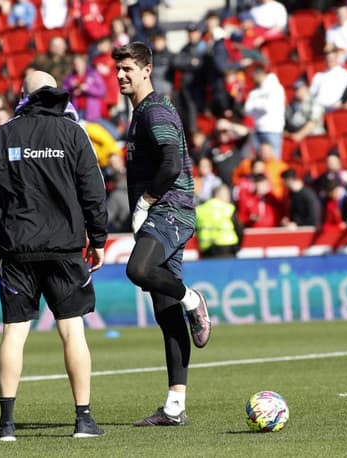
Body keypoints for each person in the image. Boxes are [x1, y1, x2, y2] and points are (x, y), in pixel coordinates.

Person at [0, 71, 108, 441]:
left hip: (17, 248)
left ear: (23, 95)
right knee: (72, 331)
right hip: (65, 248)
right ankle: (83, 420)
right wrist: (97, 238)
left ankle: (6, 425)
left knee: (14, 334)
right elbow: (93, 190)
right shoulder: (74, 133)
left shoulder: (1, 135)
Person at [111, 42, 211, 427]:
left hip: (170, 209)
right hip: (161, 212)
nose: (121, 76)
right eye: (118, 70)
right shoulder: (139, 113)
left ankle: (194, 298)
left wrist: (144, 203)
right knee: (165, 313)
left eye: (128, 69)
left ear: (147, 69)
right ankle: (175, 406)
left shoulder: (154, 109)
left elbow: (171, 161)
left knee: (138, 270)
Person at [195, 184, 242, 258]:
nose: (228, 197)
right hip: (227, 250)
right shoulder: (229, 208)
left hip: (207, 251)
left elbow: (196, 231)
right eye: (226, 194)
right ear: (217, 195)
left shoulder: (199, 210)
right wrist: (238, 247)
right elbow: (239, 230)